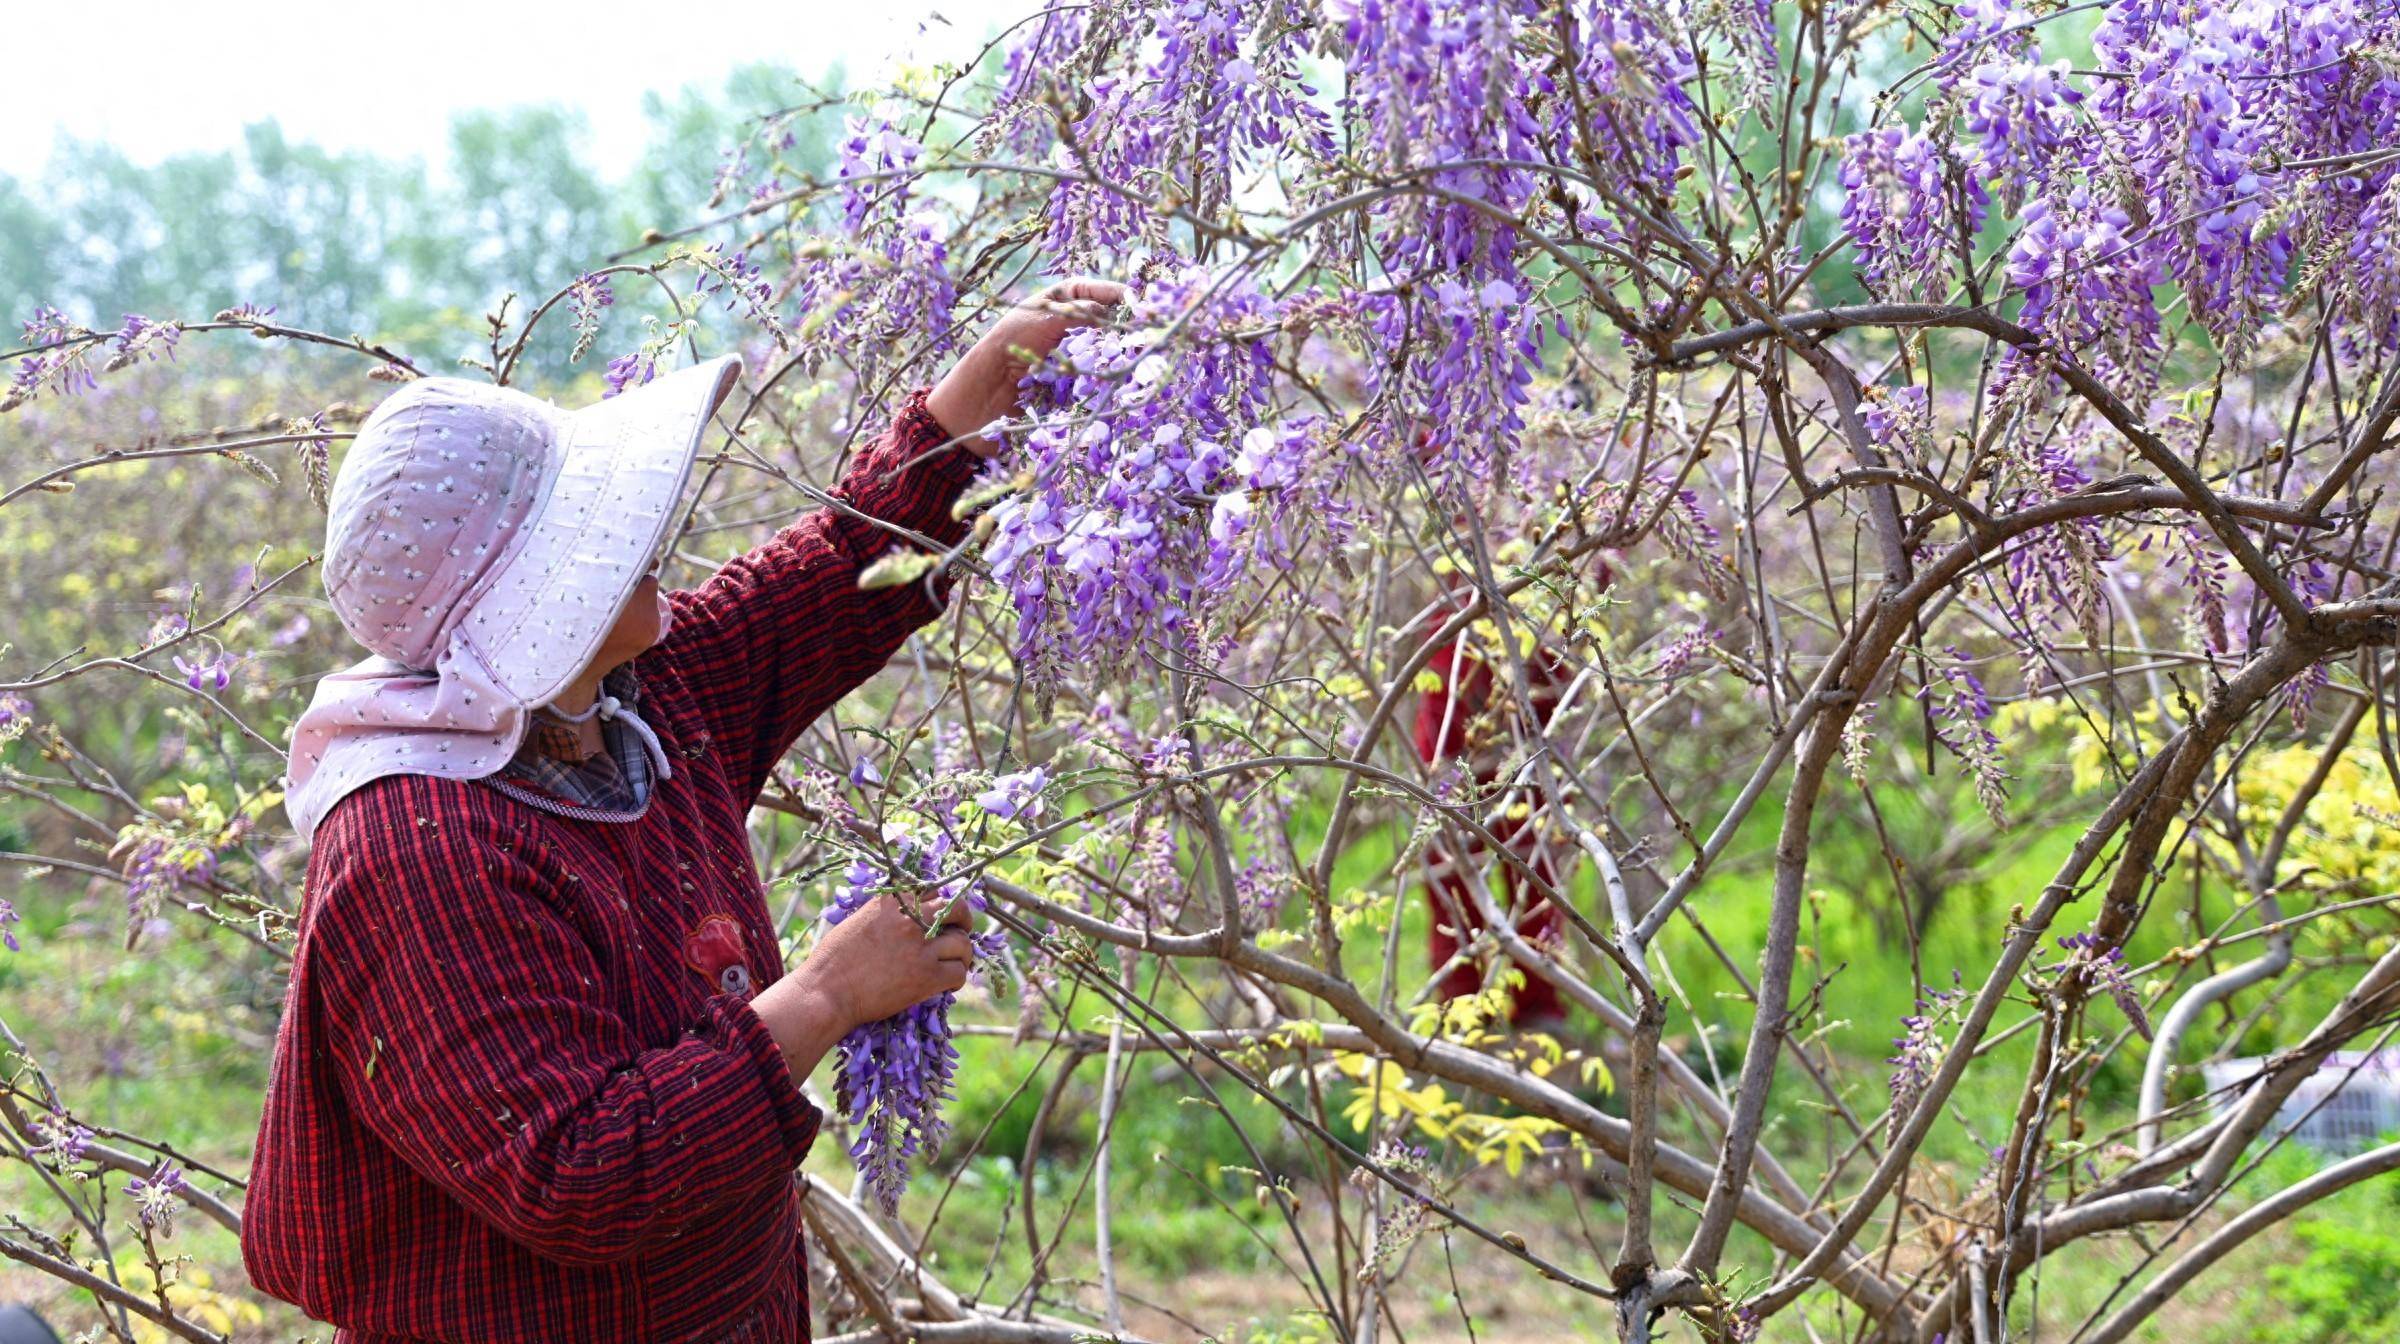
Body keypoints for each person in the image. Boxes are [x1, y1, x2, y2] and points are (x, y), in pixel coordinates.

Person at [242, 280, 1124, 1344]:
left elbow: (834, 577)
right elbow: (585, 1175)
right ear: (522, 604)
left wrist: (968, 405)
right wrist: (828, 994)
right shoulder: (420, 849)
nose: (643, 532)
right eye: (583, 534)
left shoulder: (628, 700)